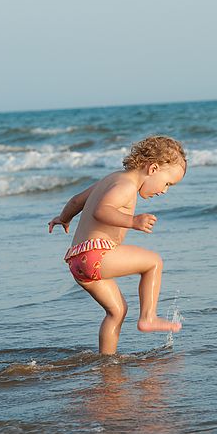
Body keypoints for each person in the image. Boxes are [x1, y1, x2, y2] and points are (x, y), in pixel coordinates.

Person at [48, 135, 186, 355]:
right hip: (97, 254)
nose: (164, 190)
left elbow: (76, 201)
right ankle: (148, 317)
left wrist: (64, 218)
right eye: (167, 183)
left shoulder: (110, 179)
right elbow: (101, 210)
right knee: (153, 262)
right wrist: (133, 221)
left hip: (77, 260)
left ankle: (107, 361)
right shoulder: (126, 186)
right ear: (153, 168)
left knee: (117, 311)